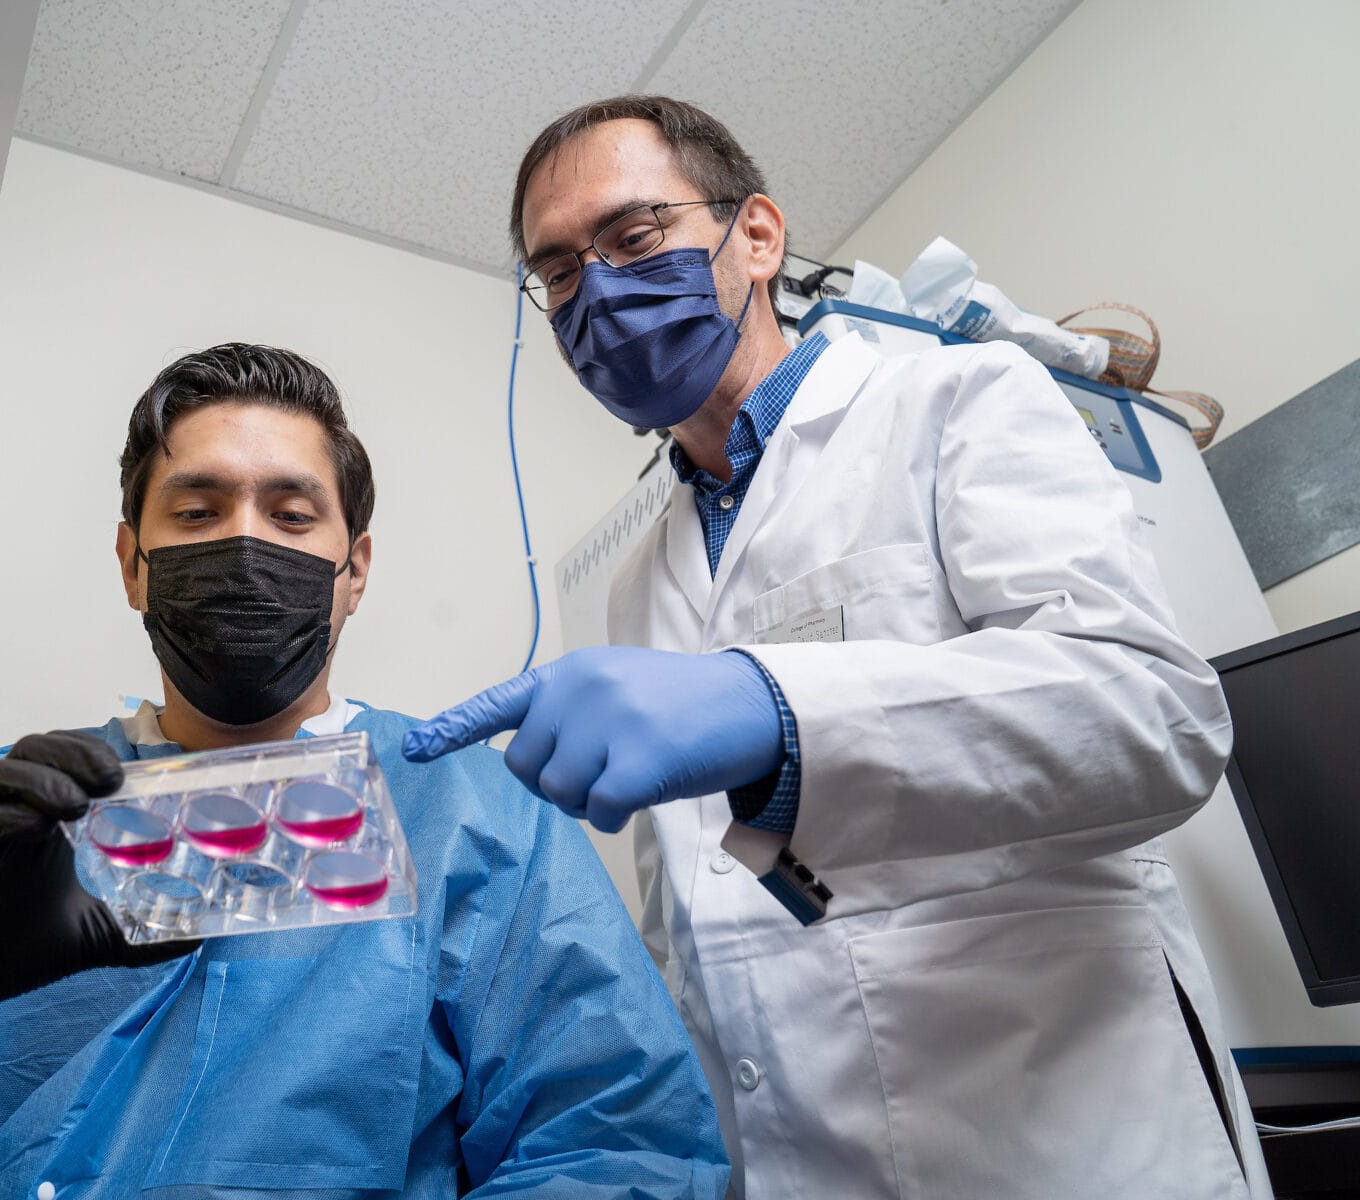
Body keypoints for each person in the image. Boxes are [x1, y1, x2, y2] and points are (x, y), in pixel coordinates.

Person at [405, 96, 1270, 1198]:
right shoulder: (636, 583)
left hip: (1068, 1140)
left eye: (633, 239)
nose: (599, 296)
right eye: (561, 272)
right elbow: (721, 901)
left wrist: (774, 711)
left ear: (756, 237)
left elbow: (1153, 713)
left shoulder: (958, 401)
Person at [0, 343, 728, 1198]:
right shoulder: (5, 819)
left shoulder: (469, 813)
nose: (245, 544)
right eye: (198, 511)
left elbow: (624, 1147)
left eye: (291, 514)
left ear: (353, 572)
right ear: (133, 562)